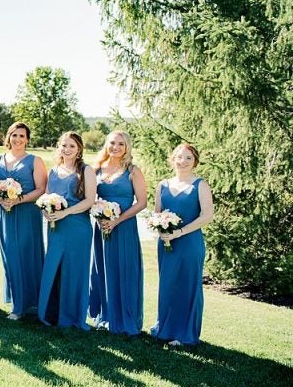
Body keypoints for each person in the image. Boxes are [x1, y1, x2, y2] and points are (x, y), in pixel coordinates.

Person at [150, 142, 214, 346]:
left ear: (195, 161)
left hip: (189, 243)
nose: (183, 161)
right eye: (179, 157)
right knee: (168, 285)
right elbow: (157, 213)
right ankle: (165, 329)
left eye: (188, 158)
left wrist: (179, 232)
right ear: (173, 159)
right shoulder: (163, 185)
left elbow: (207, 216)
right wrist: (161, 229)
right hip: (167, 244)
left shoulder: (200, 185)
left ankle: (185, 334)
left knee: (187, 286)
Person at [37, 131, 96, 330]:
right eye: (64, 145)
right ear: (59, 147)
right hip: (56, 227)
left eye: (72, 146)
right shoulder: (53, 171)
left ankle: (72, 316)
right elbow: (46, 196)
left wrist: (66, 212)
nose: (67, 149)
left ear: (79, 149)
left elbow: (89, 200)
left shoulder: (86, 170)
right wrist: (45, 210)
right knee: (54, 267)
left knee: (74, 270)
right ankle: (50, 312)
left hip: (77, 227)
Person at [89, 130, 146, 335]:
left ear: (127, 147)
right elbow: (88, 197)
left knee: (125, 270)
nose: (116, 147)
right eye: (112, 142)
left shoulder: (133, 171)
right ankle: (105, 315)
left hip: (124, 228)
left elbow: (142, 202)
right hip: (102, 228)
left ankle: (124, 319)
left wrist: (117, 220)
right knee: (103, 270)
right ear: (106, 144)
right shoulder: (96, 169)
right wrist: (98, 214)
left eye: (121, 144)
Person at [0, 121, 47, 319]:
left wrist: (17, 200)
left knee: (27, 254)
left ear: (27, 139)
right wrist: (1, 200)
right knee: (10, 256)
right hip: (5, 213)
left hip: (27, 213)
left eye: (22, 136)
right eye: (14, 135)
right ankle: (17, 302)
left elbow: (41, 189)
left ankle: (30, 304)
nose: (18, 139)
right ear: (8, 137)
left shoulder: (35, 160)